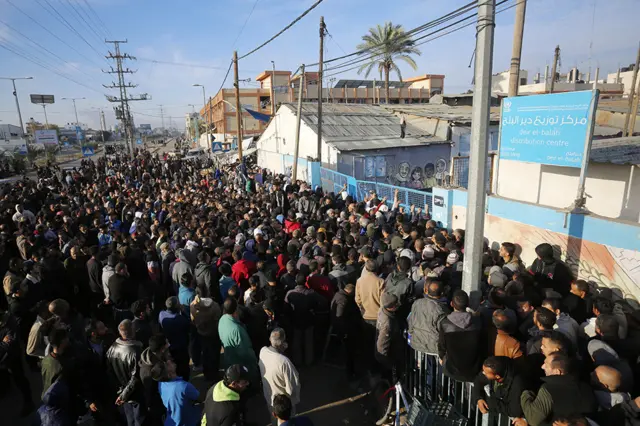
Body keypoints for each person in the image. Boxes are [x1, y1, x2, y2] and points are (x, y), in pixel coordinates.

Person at [518, 353, 597, 426]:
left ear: (557, 371)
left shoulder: (548, 390)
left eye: (546, 365)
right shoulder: (585, 386)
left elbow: (532, 419)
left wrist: (526, 393)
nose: (542, 366)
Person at [438, 290, 485, 382]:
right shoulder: (478, 322)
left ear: (451, 304)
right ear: (468, 304)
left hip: (452, 369)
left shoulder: (445, 323)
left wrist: (441, 357)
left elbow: (441, 345)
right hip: (473, 368)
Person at [105, 319, 146, 426]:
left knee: (130, 420)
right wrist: (124, 395)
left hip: (122, 393)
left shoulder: (112, 348)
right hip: (134, 394)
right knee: (139, 420)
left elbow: (109, 373)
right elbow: (135, 378)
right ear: (133, 332)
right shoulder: (136, 352)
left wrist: (121, 393)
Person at [0, 308, 34, 416]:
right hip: (2, 358)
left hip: (12, 357)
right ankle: (5, 388)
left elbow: (10, 343)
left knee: (19, 378)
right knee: (4, 376)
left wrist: (3, 344)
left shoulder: (9, 320)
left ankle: (29, 402)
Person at [259, 328, 301, 414]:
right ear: (282, 343)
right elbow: (291, 389)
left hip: (270, 399)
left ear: (270, 339)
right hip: (284, 405)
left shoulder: (262, 351)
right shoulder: (284, 362)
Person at [218, 297, 259, 383]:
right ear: (236, 310)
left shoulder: (222, 319)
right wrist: (255, 362)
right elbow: (246, 351)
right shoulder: (237, 330)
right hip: (240, 365)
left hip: (229, 359)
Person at [408, 279, 450, 355]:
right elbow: (443, 332)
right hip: (433, 348)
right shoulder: (441, 310)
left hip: (416, 343)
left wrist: (411, 334)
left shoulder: (417, 303)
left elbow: (410, 322)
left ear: (427, 291)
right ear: (442, 293)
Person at [156, 358, 202, 426]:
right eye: (167, 365)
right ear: (169, 374)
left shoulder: (161, 383)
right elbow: (199, 397)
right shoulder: (183, 386)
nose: (169, 360)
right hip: (189, 422)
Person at [190, 290, 222, 382]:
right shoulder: (214, 306)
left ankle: (206, 372)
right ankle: (214, 374)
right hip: (213, 334)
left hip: (201, 333)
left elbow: (192, 321)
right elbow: (218, 319)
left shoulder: (193, 306)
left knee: (205, 353)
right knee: (214, 354)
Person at [139, 334, 171, 426]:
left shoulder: (153, 357)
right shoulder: (152, 371)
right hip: (157, 405)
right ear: (162, 349)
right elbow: (149, 391)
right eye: (166, 346)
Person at [159, 296, 191, 381]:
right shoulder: (180, 319)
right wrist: (183, 311)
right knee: (184, 369)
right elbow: (189, 324)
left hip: (169, 347)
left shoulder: (161, 314)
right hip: (181, 348)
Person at [375, 293, 404, 380]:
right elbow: (382, 346)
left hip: (389, 353)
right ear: (391, 307)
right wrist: (389, 363)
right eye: (396, 304)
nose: (398, 305)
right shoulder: (387, 323)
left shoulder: (382, 310)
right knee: (389, 378)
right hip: (389, 355)